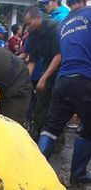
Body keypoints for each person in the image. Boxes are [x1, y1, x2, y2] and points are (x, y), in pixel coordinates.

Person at [37, 0, 91, 185]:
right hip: (84, 80)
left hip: (62, 81)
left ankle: (34, 168)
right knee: (88, 131)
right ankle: (77, 175)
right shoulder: (90, 14)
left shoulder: (62, 25)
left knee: (50, 130)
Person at [23, 6, 62, 140]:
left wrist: (43, 78)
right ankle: (38, 134)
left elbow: (58, 55)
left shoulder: (53, 27)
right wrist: (25, 81)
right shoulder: (33, 34)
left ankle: (57, 137)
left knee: (57, 102)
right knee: (41, 97)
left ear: (38, 18)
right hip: (47, 65)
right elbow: (32, 60)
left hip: (62, 65)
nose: (28, 27)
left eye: (29, 23)